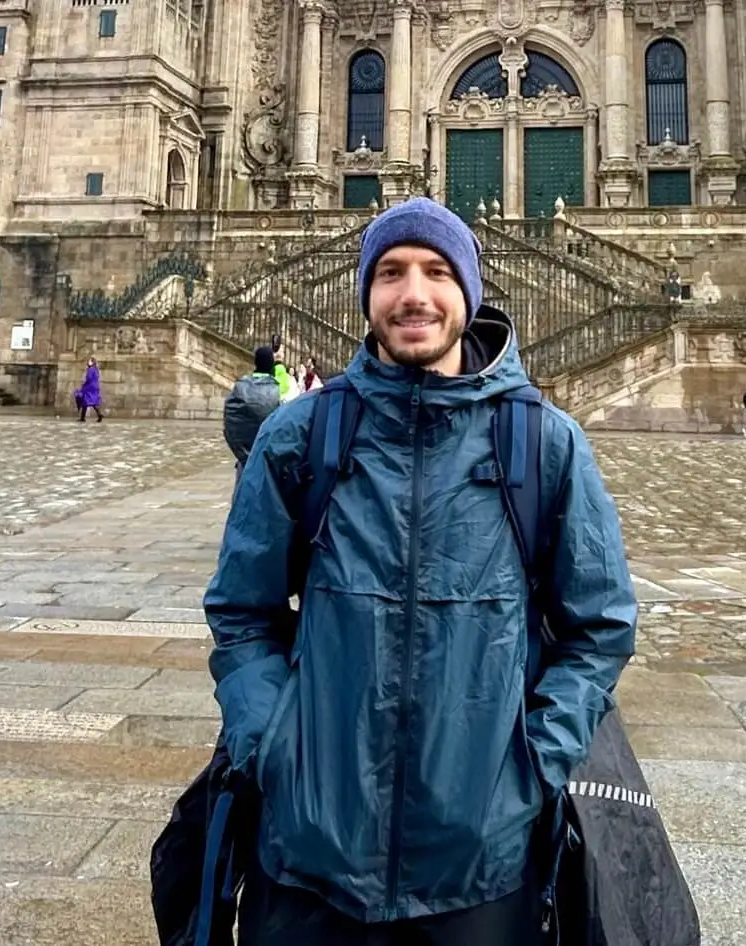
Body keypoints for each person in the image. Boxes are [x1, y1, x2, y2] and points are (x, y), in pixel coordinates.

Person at [204, 197, 637, 945]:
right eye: (392, 272)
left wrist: (533, 767)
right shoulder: (301, 435)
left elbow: (598, 628)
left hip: (482, 861)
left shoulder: (543, 443)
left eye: (437, 271)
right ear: (366, 294)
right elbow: (243, 614)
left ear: (468, 293)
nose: (414, 293)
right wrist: (270, 744)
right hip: (309, 852)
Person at [223, 345, 283, 483]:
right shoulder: (280, 390)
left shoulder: (239, 388)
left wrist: (242, 454)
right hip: (270, 463)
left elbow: (229, 426)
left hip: (244, 462)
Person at [76, 357, 104, 422]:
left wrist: (84, 384)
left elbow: (89, 378)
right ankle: (99, 414)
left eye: (89, 361)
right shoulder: (96, 369)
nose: (88, 362)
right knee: (93, 401)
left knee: (84, 401)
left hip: (89, 387)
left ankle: (83, 418)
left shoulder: (90, 369)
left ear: (92, 362)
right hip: (95, 387)